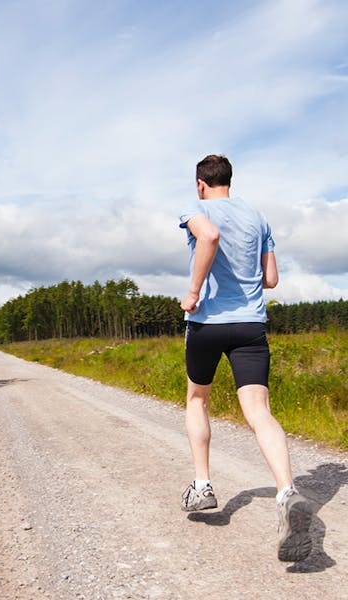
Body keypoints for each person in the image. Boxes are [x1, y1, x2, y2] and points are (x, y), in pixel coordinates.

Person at [178, 154, 312, 562]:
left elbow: (210, 237)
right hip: (252, 325)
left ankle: (202, 486)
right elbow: (270, 279)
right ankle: (287, 491)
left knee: (198, 398)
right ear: (228, 181)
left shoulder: (195, 209)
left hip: (207, 324)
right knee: (259, 411)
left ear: (201, 183)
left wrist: (194, 291)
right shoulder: (257, 217)